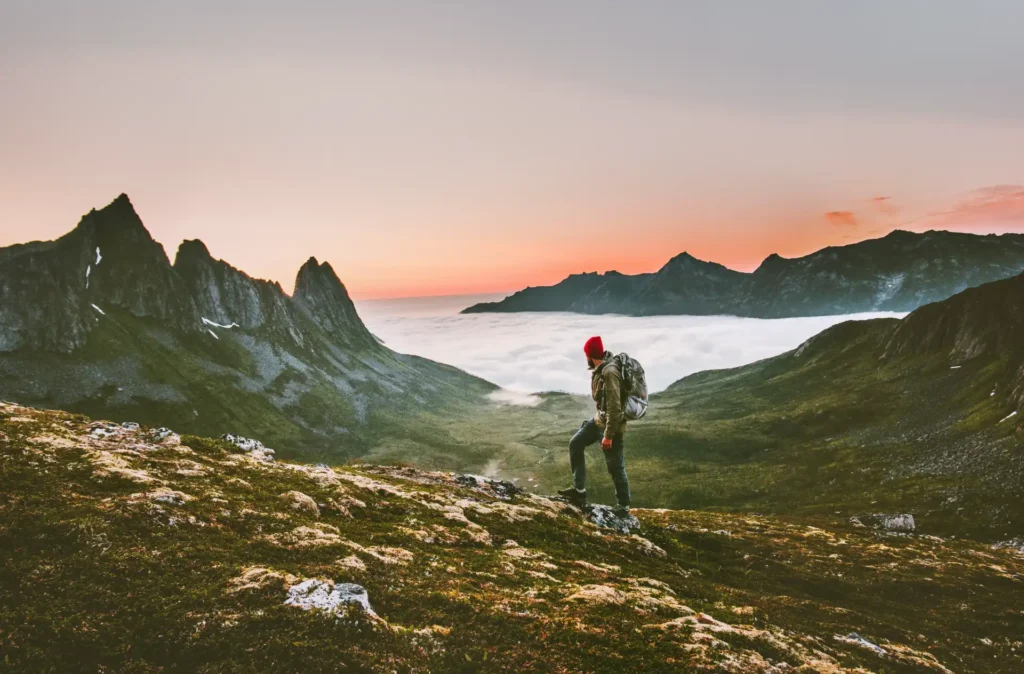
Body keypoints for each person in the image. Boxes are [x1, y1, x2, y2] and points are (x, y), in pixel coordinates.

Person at [558, 336, 631, 515]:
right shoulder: (600, 369)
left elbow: (615, 407)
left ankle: (623, 506)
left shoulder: (609, 372)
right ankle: (579, 492)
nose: (586, 359)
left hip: (610, 427)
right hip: (598, 421)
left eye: (586, 355)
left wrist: (608, 435)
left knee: (615, 467)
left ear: (590, 355)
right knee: (575, 443)